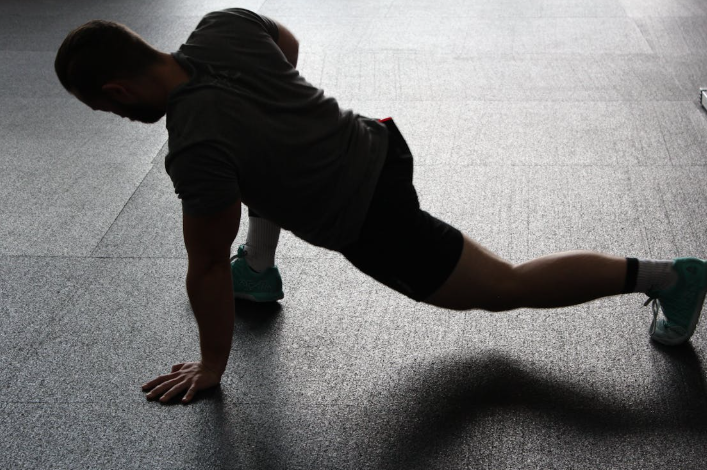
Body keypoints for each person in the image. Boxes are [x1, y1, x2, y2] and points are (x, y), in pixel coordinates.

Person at [55, 8, 706, 404]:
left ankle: (668, 277)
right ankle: (258, 267)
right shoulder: (223, 26)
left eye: (105, 108)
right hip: (378, 139)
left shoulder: (195, 148)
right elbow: (287, 49)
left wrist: (212, 365)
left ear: (115, 90)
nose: (115, 116)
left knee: (503, 288)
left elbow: (201, 268)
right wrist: (279, 116)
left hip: (370, 217)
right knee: (256, 165)